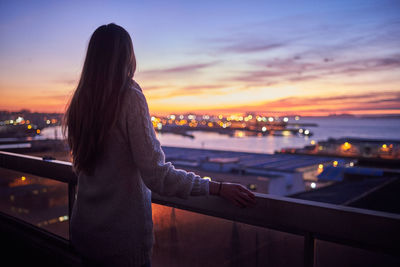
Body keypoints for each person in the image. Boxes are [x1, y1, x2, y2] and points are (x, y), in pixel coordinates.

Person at [62, 23, 256, 267]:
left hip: (86, 233)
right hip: (121, 243)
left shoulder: (80, 102)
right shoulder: (128, 96)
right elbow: (157, 175)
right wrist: (215, 188)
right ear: (127, 56)